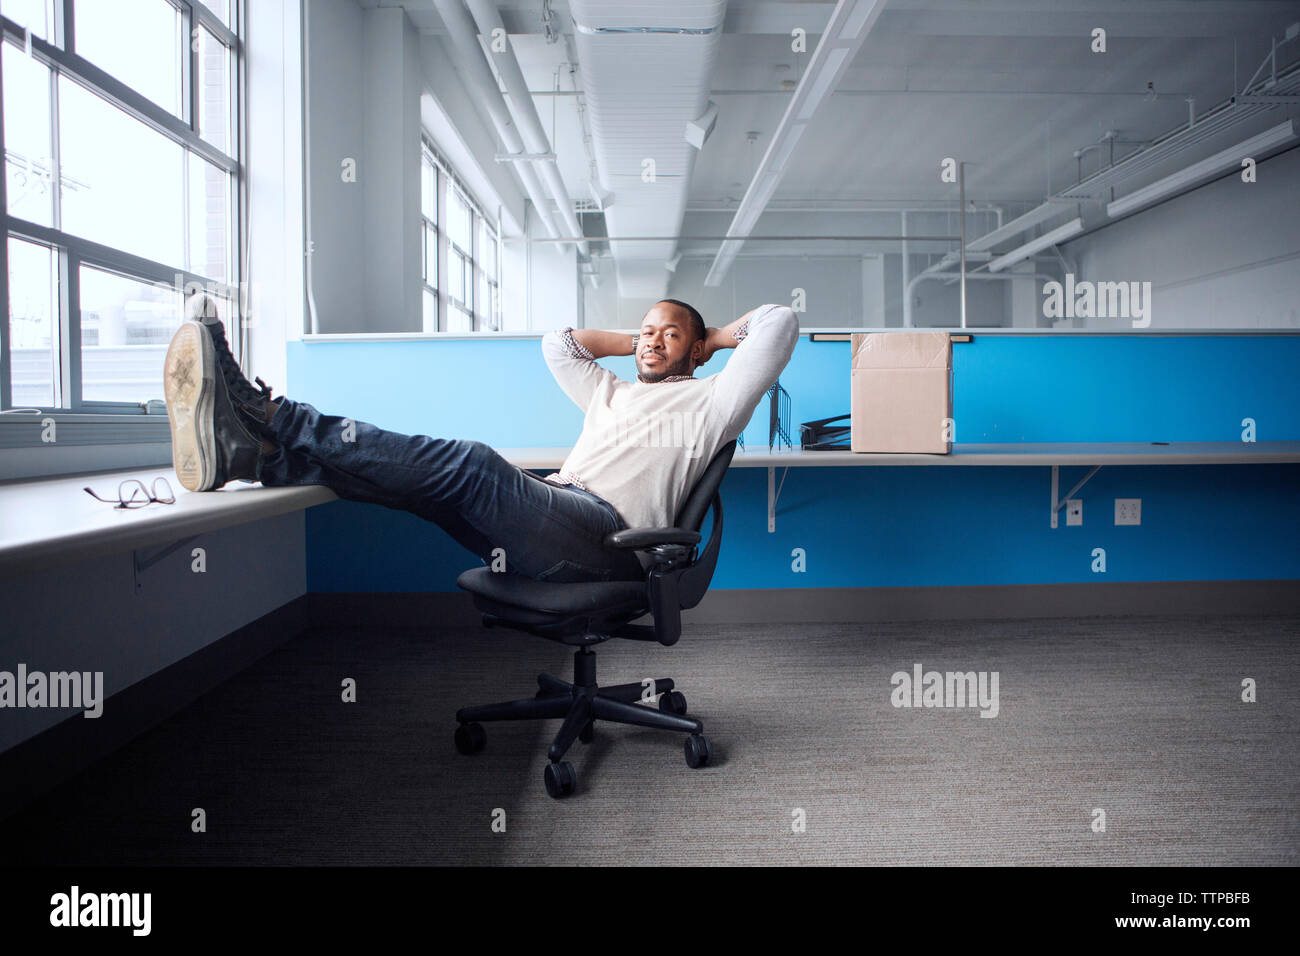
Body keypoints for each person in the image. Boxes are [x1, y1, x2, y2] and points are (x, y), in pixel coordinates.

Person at [162, 294, 799, 584]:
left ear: (698, 349)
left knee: (471, 463)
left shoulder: (715, 401)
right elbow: (560, 345)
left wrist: (711, 337)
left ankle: (270, 415)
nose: (653, 339)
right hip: (557, 507)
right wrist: (638, 340)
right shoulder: (614, 392)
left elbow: (780, 321)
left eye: (670, 334)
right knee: (418, 490)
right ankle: (260, 457)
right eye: (645, 331)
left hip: (610, 540)